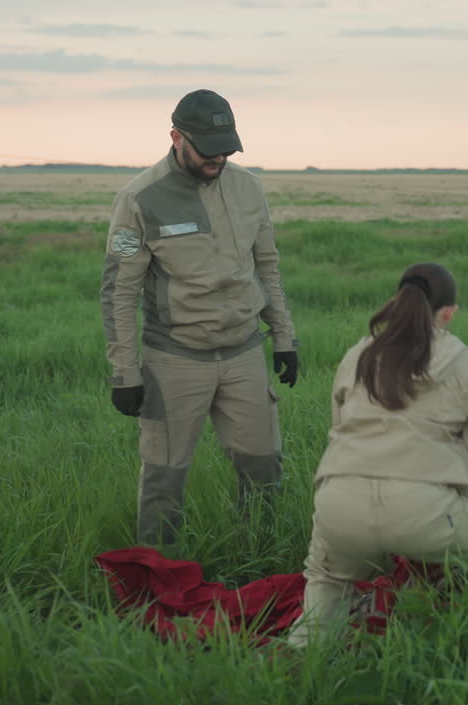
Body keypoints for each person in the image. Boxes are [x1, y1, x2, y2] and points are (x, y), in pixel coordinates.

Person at [286, 262, 468, 647]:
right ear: (449, 313)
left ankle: (299, 664)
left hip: (340, 505)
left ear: (397, 301)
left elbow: (339, 431)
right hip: (425, 513)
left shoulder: (358, 355)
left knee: (326, 580)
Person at [100, 89, 299, 546]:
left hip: (244, 351)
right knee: (164, 479)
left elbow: (267, 266)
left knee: (264, 466)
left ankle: (258, 554)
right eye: (208, 150)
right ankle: (159, 575)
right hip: (175, 359)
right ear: (175, 137)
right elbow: (118, 291)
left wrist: (284, 338)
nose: (219, 159)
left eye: (227, 149)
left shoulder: (248, 188)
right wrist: (125, 372)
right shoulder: (139, 199)